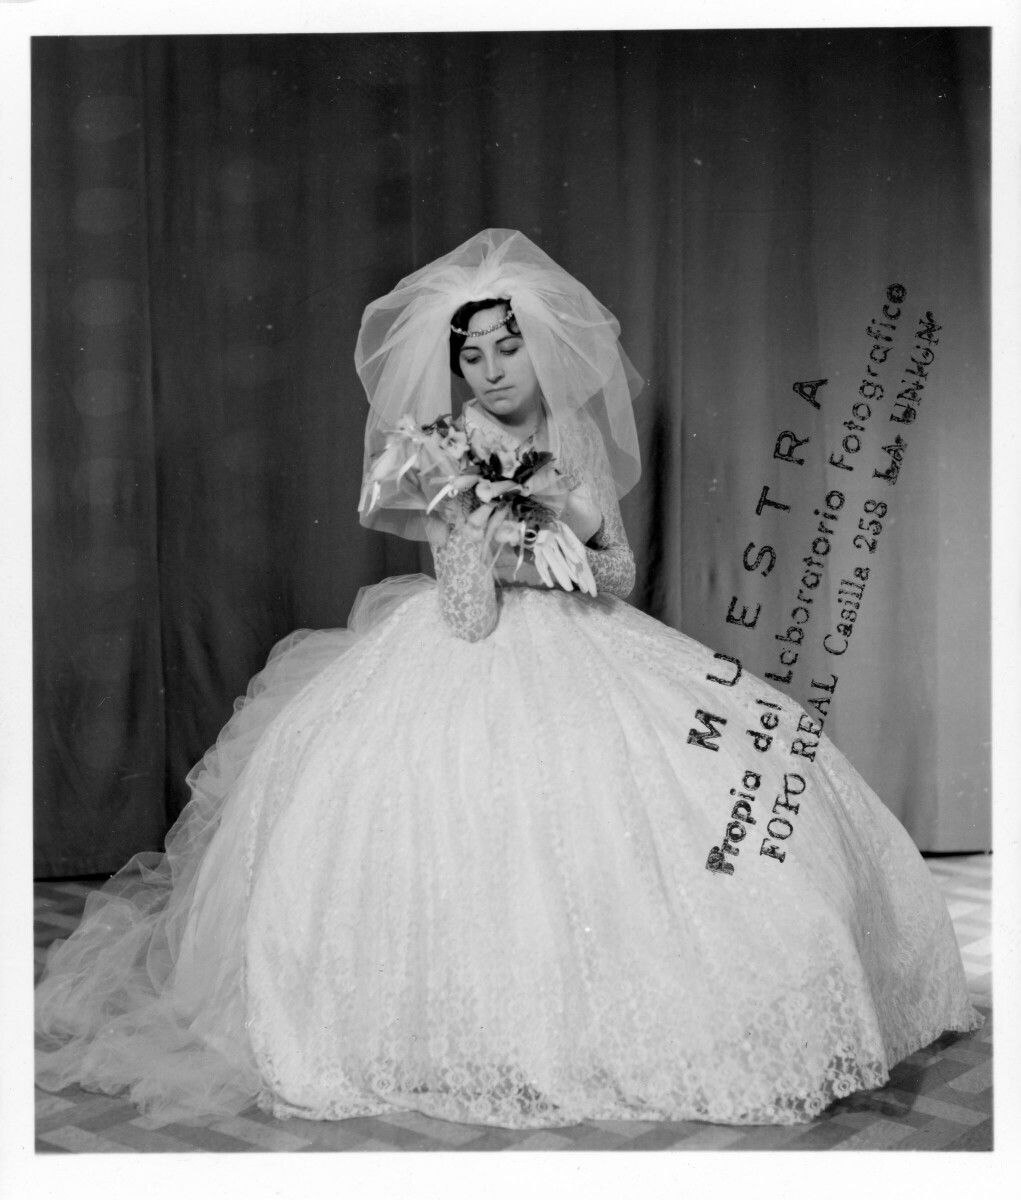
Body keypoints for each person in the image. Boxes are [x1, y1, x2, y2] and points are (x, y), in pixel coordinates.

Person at [36, 229, 981, 1130]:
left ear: (541, 351)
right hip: (468, 661)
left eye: (507, 347)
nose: (490, 370)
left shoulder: (571, 437)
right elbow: (466, 618)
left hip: (591, 649)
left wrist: (571, 524)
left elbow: (614, 581)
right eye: (473, 355)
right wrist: (488, 533)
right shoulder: (439, 452)